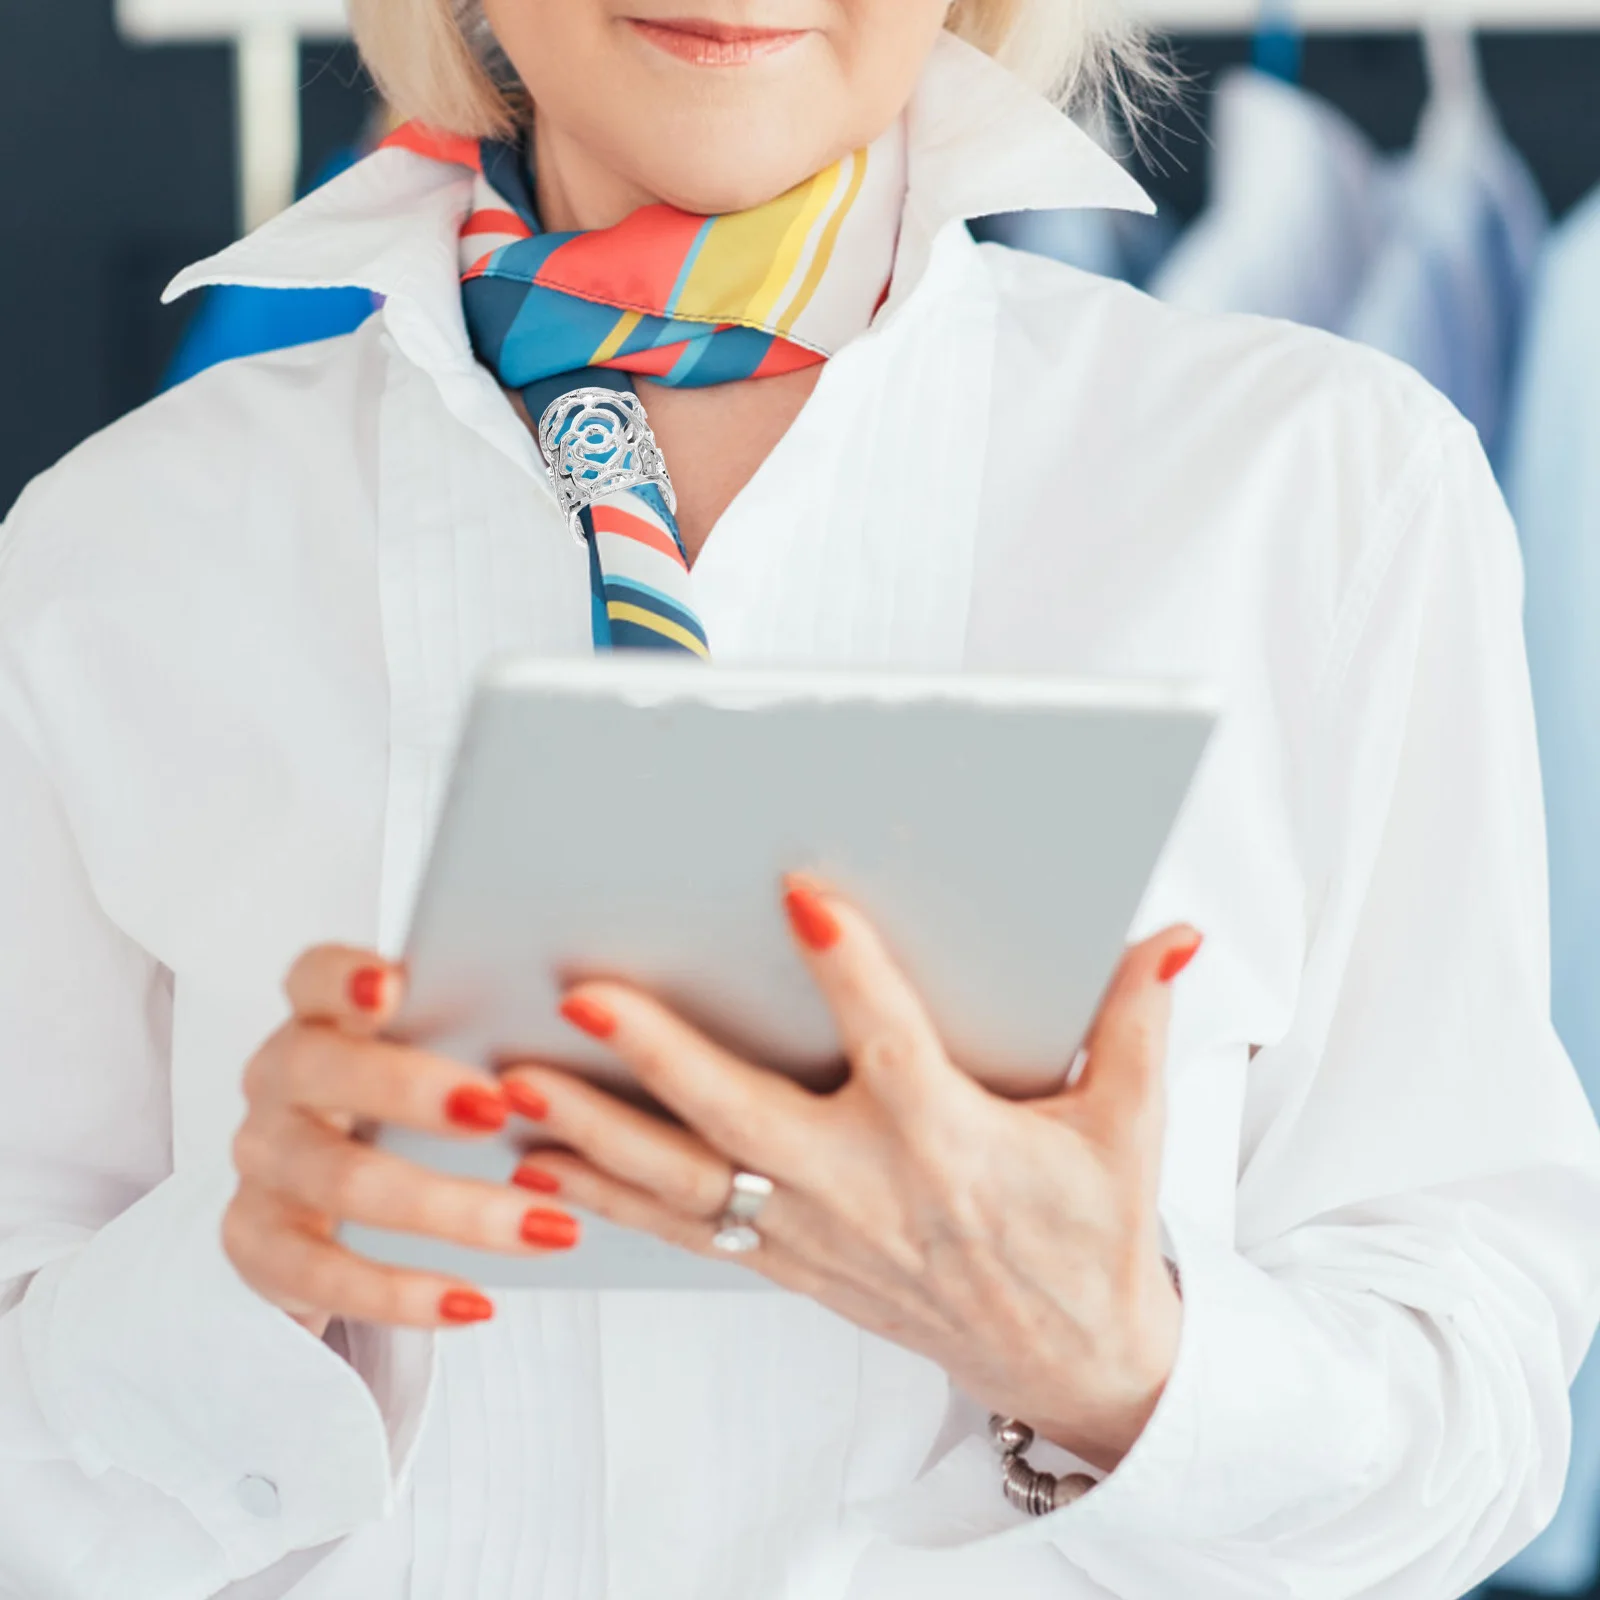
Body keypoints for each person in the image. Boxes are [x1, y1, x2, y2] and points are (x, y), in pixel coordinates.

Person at [0, 3, 1595, 1598]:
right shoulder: (116, 554)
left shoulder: (1322, 489)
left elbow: (1486, 1414)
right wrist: (229, 1293)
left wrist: (1117, 1365)